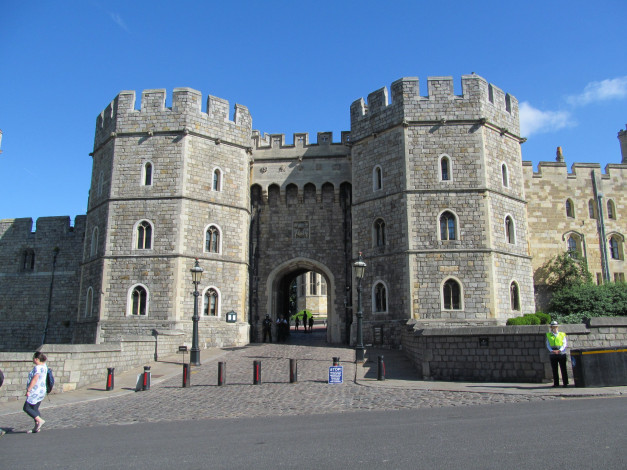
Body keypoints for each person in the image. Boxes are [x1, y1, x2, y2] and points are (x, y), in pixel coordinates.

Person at [23, 351, 48, 433]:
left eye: (33, 358)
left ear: (37, 359)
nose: (32, 360)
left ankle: (39, 421)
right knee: (35, 408)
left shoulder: (37, 368)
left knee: (26, 407)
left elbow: (35, 379)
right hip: (42, 390)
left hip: (35, 390)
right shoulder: (44, 366)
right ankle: (37, 427)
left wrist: (28, 390)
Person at [546, 321, 569, 387]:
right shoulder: (549, 335)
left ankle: (565, 383)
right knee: (554, 369)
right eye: (553, 327)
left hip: (561, 353)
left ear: (557, 327)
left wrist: (559, 350)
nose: (554, 328)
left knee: (563, 368)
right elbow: (548, 344)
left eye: (555, 327)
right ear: (551, 327)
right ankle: (556, 383)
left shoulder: (562, 334)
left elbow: (564, 343)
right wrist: (551, 350)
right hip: (553, 353)